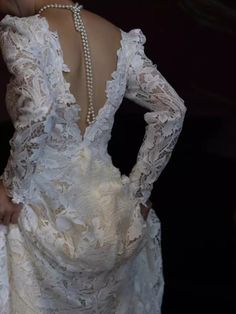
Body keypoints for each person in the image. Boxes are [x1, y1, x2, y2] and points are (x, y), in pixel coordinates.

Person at [0, 0, 187, 313]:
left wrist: (13, 188)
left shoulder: (22, 32)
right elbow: (173, 109)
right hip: (109, 208)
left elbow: (38, 107)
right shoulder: (120, 40)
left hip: (36, 202)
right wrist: (138, 193)